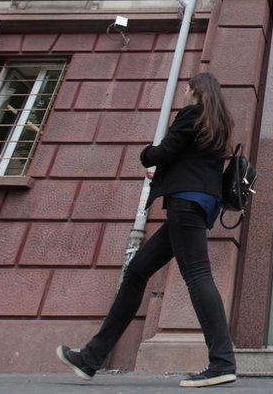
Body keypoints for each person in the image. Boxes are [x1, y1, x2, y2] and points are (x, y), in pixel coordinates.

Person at [56, 72, 237, 388]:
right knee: (137, 272)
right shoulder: (218, 123)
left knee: (197, 275)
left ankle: (222, 362)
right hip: (199, 203)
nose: (183, 92)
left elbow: (164, 151)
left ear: (196, 91)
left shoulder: (192, 114)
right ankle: (90, 359)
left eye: (187, 88)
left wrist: (146, 154)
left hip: (184, 202)